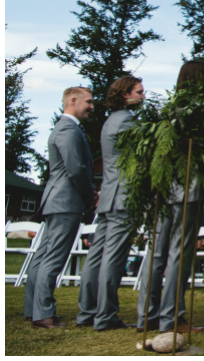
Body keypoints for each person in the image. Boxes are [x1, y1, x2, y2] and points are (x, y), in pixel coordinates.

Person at [137, 61, 204, 334]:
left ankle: (146, 315)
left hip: (163, 188)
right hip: (186, 188)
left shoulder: (169, 109)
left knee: (156, 254)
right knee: (180, 255)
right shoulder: (198, 111)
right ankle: (172, 318)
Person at [24, 87, 98, 329]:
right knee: (53, 259)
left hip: (55, 201)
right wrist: (89, 195)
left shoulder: (62, 127)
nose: (92, 107)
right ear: (73, 101)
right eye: (88, 102)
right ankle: (44, 314)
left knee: (42, 257)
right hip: (66, 203)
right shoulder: (68, 129)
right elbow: (76, 169)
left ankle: (33, 310)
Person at [75, 77, 143, 331]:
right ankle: (105, 316)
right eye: (139, 92)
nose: (143, 96)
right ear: (126, 95)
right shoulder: (126, 120)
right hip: (122, 196)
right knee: (113, 258)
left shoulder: (110, 120)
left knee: (96, 256)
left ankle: (87, 313)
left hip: (108, 194)